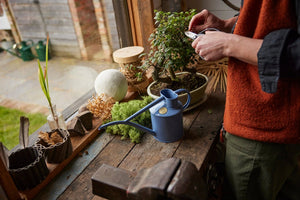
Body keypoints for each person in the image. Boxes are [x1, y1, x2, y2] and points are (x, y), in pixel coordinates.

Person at [188, 1, 300, 200]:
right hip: (267, 121)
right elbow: (279, 20)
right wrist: (231, 25)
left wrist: (228, 43)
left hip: (267, 127)